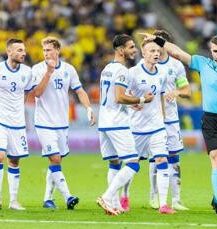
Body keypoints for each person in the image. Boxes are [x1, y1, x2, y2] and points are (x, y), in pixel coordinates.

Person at [141, 33, 217, 217]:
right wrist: (158, 40)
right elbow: (178, 53)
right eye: (215, 51)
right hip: (211, 120)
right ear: (211, 52)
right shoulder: (204, 64)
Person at [31, 36, 96, 210]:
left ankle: (48, 199)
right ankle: (68, 197)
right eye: (44, 50)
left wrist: (89, 108)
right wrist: (49, 72)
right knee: (55, 158)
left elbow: (80, 91)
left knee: (55, 162)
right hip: (44, 122)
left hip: (61, 123)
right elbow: (37, 93)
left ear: (58, 50)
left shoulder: (68, 69)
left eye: (49, 50)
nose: (46, 53)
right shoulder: (37, 69)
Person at [96, 34, 153, 216]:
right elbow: (119, 96)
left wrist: (131, 102)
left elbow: (116, 96)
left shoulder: (107, 68)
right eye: (131, 47)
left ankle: (113, 205)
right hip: (117, 123)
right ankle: (107, 196)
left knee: (114, 163)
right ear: (121, 50)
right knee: (133, 163)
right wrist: (142, 99)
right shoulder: (122, 71)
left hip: (104, 121)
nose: (134, 50)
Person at [128, 39, 175, 214]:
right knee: (132, 165)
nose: (156, 53)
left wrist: (163, 118)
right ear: (143, 53)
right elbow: (122, 96)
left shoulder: (162, 73)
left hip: (156, 126)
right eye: (152, 51)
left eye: (158, 51)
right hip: (137, 127)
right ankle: (124, 196)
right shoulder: (132, 73)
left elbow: (161, 96)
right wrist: (132, 104)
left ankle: (163, 204)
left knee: (162, 160)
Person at [147, 30, 191, 211]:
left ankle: (177, 199)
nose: (156, 46)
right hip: (152, 119)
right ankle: (154, 196)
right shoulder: (146, 65)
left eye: (159, 42)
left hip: (171, 119)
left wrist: (177, 92)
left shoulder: (176, 65)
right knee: (155, 158)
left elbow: (187, 91)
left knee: (174, 157)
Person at [0, 39, 35, 210]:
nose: (23, 53)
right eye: (19, 50)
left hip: (17, 123)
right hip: (0, 121)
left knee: (14, 160)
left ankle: (13, 201)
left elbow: (27, 92)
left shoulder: (27, 72)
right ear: (9, 51)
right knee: (0, 156)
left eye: (24, 50)